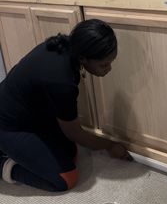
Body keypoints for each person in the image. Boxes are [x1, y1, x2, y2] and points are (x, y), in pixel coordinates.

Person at [0, 19, 131, 192]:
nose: (109, 69)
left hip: (28, 114)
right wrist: (110, 145)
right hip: (8, 125)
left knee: (70, 152)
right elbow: (74, 132)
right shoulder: (62, 81)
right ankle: (3, 164)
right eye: (104, 64)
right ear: (84, 58)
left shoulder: (63, 46)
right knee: (66, 179)